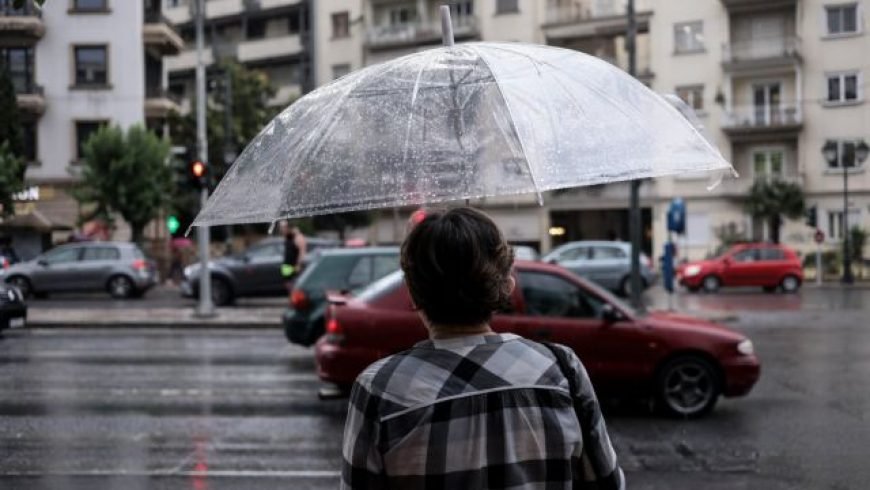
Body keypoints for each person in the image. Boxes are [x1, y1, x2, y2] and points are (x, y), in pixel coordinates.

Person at [341, 207, 624, 490]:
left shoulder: (379, 388)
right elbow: (607, 483)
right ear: (507, 285)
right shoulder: (562, 369)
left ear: (413, 291)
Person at [280, 221, 306, 289]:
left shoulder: (298, 237)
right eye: (281, 228)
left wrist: (299, 264)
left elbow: (302, 252)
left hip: (294, 266)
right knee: (287, 284)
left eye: (283, 227)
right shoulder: (287, 237)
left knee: (295, 285)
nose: (282, 229)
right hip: (286, 266)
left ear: (289, 227)